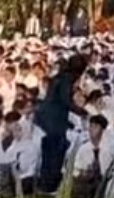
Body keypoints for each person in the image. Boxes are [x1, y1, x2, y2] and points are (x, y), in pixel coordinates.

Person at [34, 53, 88, 192]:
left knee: (49, 150)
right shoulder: (66, 79)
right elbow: (65, 101)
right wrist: (81, 111)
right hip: (54, 120)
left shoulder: (60, 76)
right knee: (55, 152)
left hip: (47, 117)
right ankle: (50, 184)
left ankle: (45, 183)